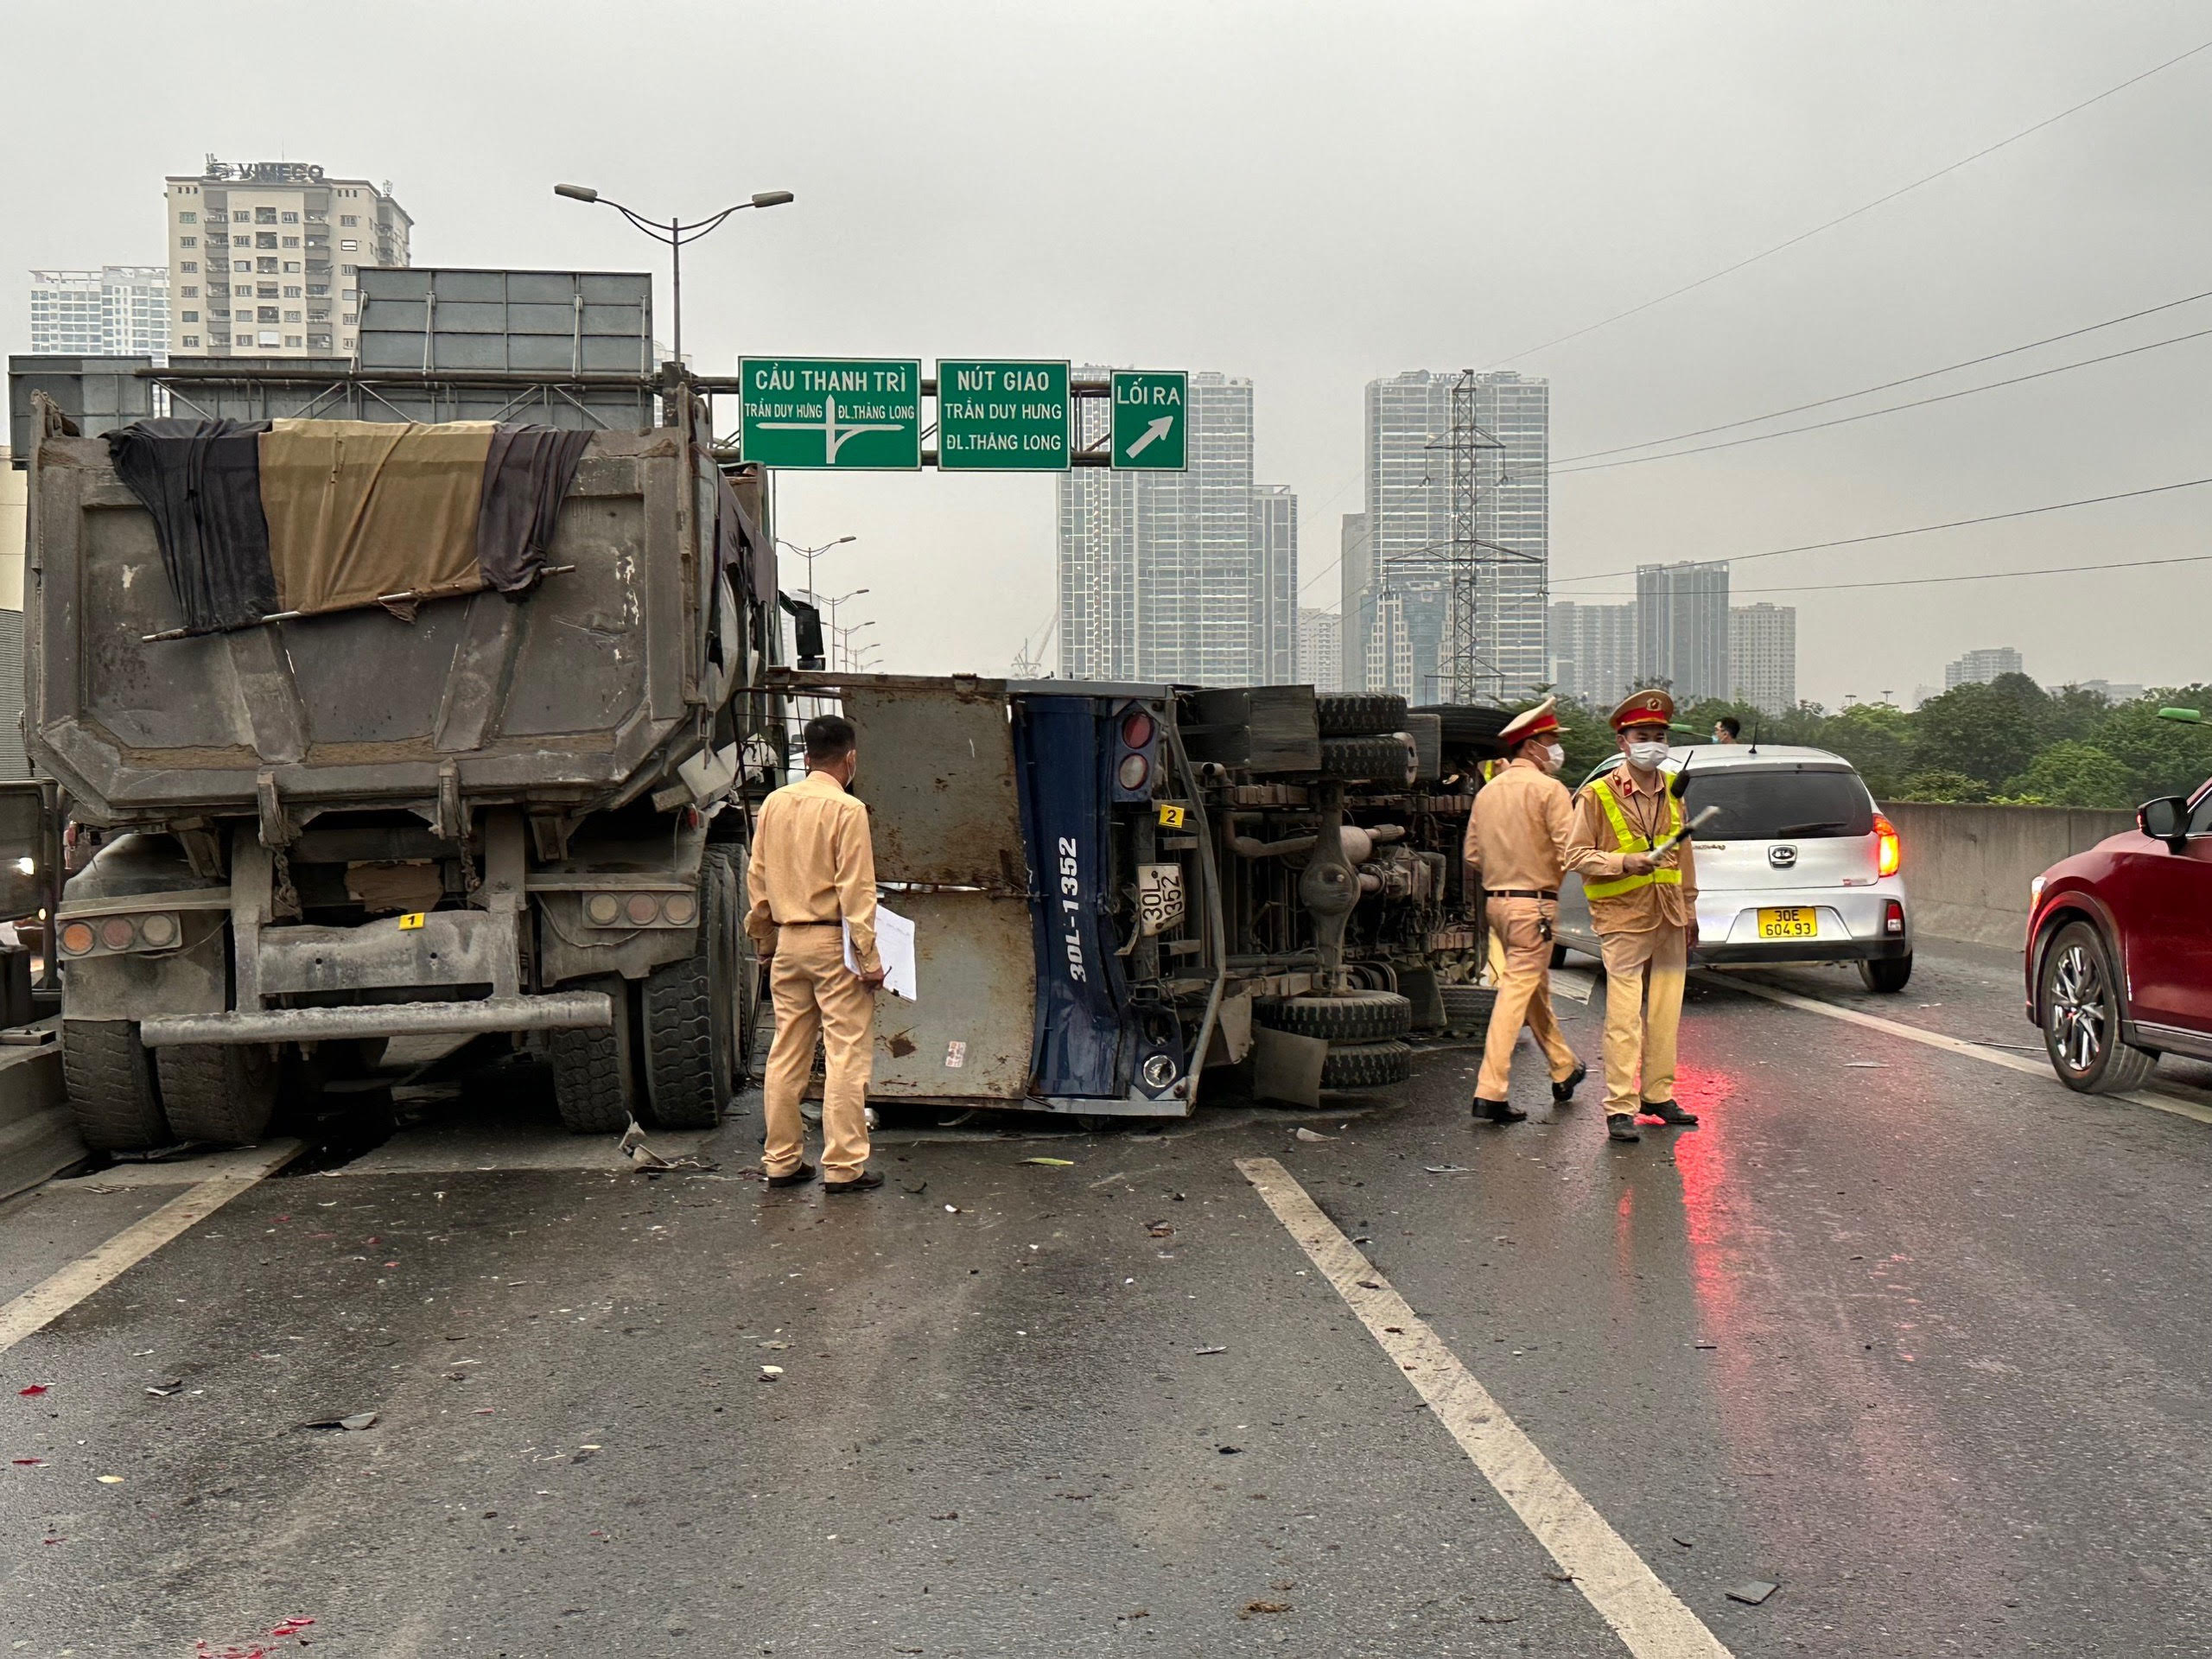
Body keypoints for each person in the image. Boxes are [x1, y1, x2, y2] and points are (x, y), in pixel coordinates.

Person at [746, 715, 887, 1194]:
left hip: (788, 942)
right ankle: (844, 1168)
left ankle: (782, 1162)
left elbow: (758, 880)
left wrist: (765, 943)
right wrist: (868, 960)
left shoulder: (774, 804)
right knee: (846, 1054)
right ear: (850, 759)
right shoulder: (848, 811)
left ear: (806, 757)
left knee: (786, 1052)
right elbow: (857, 891)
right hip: (833, 944)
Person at [1567, 690, 1700, 1144]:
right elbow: (1575, 855)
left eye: (1660, 736)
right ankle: (1620, 1106)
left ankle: (1658, 1095)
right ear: (1623, 742)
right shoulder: (1597, 795)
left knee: (1666, 1011)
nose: (1653, 744)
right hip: (1622, 916)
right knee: (1624, 1016)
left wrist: (1691, 906)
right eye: (1643, 736)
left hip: (1668, 914)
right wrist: (1625, 863)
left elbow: (1684, 853)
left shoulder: (1673, 792)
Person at [1463, 697, 1586, 1125]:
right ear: (1531, 747)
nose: (1555, 749)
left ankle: (1564, 1067)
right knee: (1516, 994)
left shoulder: (1487, 792)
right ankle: (1490, 1090)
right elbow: (1570, 850)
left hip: (1497, 904)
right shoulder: (1550, 790)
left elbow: (1473, 854)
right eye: (1551, 741)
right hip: (1534, 905)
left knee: (1533, 989)